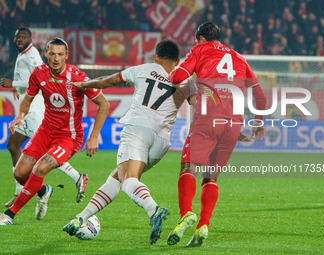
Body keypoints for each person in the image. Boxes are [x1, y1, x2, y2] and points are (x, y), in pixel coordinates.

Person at [62, 40, 193, 245]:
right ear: (177, 61)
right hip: (162, 141)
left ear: (156, 57)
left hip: (137, 129)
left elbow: (107, 81)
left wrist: (85, 84)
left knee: (128, 179)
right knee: (117, 177)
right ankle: (81, 218)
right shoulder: (184, 82)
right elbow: (202, 106)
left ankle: (153, 210)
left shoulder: (144, 69)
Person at [167, 22, 266, 247]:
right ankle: (203, 225)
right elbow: (260, 97)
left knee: (188, 168)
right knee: (210, 177)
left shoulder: (200, 50)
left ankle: (186, 214)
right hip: (233, 125)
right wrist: (258, 123)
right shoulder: (240, 58)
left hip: (207, 118)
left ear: (201, 39)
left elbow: (176, 78)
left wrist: (183, 73)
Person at [0, 37, 109, 225]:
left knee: (40, 168)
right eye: (52, 54)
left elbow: (104, 104)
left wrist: (94, 137)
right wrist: (19, 116)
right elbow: (27, 99)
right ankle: (43, 191)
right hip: (45, 131)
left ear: (67, 56)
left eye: (60, 54)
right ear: (46, 55)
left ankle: (9, 214)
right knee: (19, 173)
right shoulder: (38, 74)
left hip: (69, 137)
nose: (56, 58)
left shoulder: (77, 77)